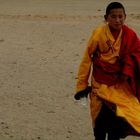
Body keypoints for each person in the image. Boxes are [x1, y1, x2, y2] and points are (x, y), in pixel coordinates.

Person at [74, 2, 140, 140]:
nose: (117, 20)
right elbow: (87, 58)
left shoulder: (130, 34)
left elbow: (137, 53)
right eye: (113, 16)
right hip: (100, 84)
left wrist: (127, 69)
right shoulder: (98, 34)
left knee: (119, 121)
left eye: (120, 16)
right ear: (106, 18)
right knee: (99, 124)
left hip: (119, 85)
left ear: (125, 17)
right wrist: (82, 86)